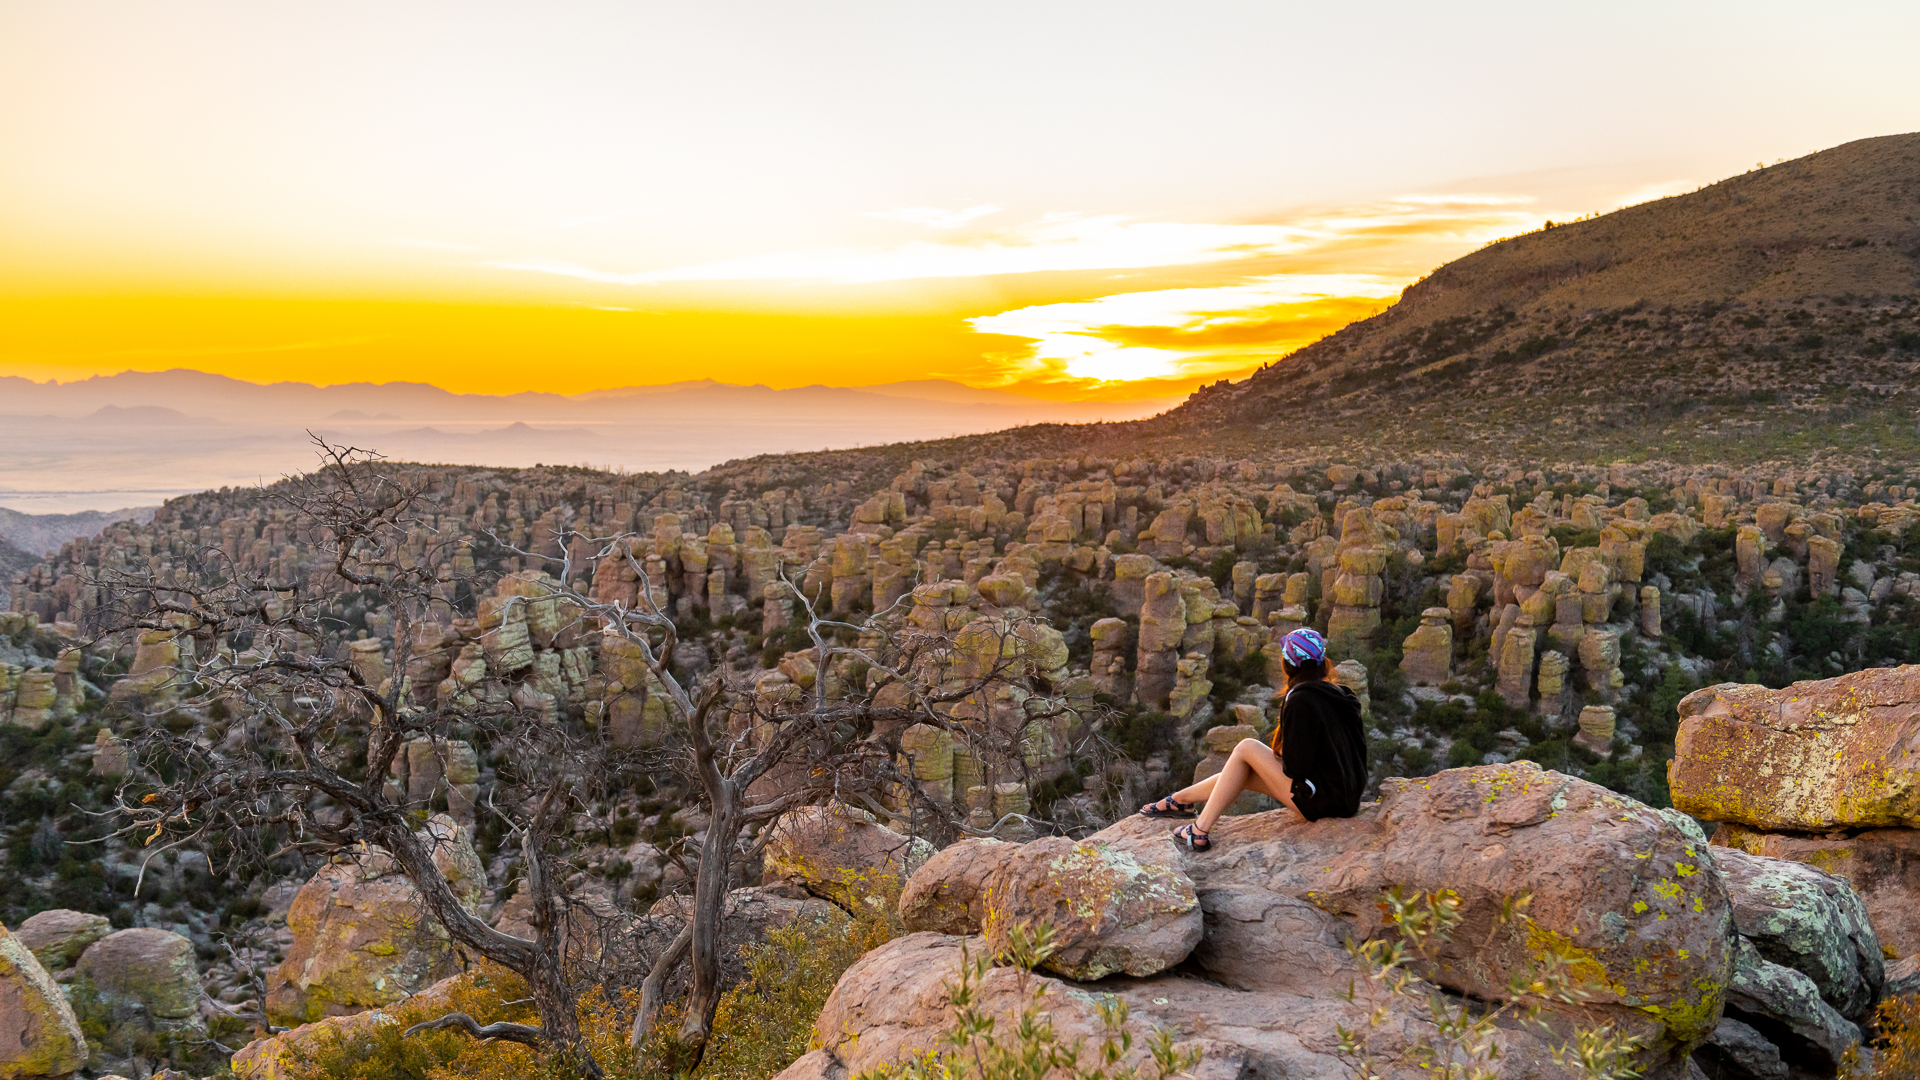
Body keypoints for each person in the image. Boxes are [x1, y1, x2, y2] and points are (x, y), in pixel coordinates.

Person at [1137, 627, 1367, 851]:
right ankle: (1180, 800)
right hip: (1347, 798)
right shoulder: (1343, 694)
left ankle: (1199, 829)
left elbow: (1296, 767)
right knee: (1240, 773)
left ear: (1288, 664)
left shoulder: (1301, 699)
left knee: (1246, 747)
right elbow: (1358, 750)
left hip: (1322, 802)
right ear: (1322, 662)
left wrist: (1277, 758)